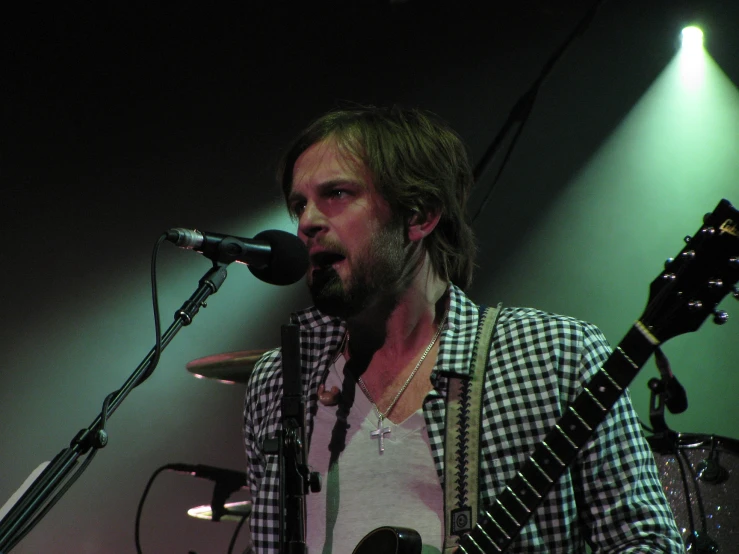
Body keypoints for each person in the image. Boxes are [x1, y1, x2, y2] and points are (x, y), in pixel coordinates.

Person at [243, 105, 683, 553]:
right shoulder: (278, 381)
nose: (307, 222)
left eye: (336, 194)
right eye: (299, 204)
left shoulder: (554, 357)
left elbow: (648, 542)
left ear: (420, 215)